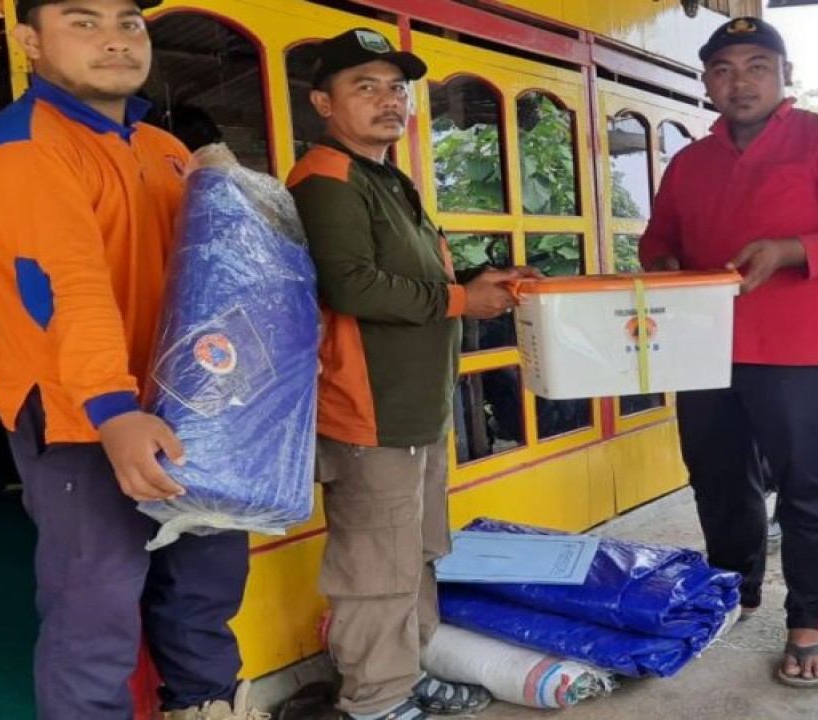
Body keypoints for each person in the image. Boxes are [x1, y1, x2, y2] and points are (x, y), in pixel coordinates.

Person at [0, 1, 261, 718]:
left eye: (130, 23)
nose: (116, 41)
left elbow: (216, 277)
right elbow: (67, 287)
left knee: (204, 581)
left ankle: (207, 708)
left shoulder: (165, 150)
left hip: (189, 403)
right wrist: (112, 408)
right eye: (83, 22)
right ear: (30, 41)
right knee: (94, 605)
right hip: (79, 410)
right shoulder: (25, 148)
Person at [638, 16, 818, 688]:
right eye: (723, 69)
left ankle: (812, 619)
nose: (739, 81)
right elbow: (657, 239)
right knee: (718, 476)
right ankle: (734, 589)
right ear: (707, 83)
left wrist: (791, 251)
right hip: (705, 346)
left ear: (784, 75)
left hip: (806, 347)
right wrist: (668, 265)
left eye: (757, 65)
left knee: (808, 488)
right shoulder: (690, 162)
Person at [287, 28, 533, 720]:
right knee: (375, 568)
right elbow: (352, 287)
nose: (389, 100)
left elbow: (414, 277)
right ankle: (374, 701)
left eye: (397, 87)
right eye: (364, 86)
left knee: (415, 555)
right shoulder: (327, 176)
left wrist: (481, 281)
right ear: (322, 104)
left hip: (414, 409)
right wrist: (462, 299)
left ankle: (410, 672)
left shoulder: (387, 177)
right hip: (368, 413)